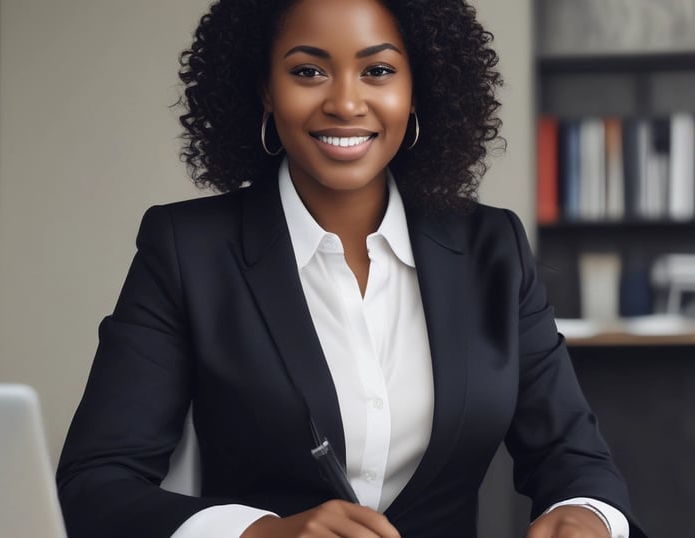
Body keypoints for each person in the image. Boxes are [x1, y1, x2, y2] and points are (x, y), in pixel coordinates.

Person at [56, 1, 647, 537]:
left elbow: (574, 456)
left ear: (418, 89)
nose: (344, 101)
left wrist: (586, 515)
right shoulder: (188, 248)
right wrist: (260, 535)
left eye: (379, 71)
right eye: (308, 71)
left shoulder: (494, 247)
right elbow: (96, 485)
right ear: (265, 88)